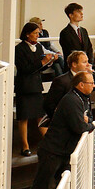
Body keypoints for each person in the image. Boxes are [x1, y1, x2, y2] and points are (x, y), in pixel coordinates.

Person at [22, 71, 95, 189]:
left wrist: (88, 122)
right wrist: (90, 125)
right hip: (52, 151)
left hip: (63, 152)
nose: (94, 85)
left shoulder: (83, 99)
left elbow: (89, 117)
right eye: (91, 83)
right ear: (81, 85)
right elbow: (80, 127)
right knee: (40, 188)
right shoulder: (71, 100)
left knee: (57, 188)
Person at [14, 22, 58, 157]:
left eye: (39, 33)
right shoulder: (19, 49)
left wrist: (49, 62)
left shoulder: (38, 47)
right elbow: (25, 68)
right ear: (27, 34)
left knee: (40, 115)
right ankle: (25, 145)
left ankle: (48, 141)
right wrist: (43, 62)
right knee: (24, 117)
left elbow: (39, 68)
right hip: (25, 86)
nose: (38, 35)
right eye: (35, 33)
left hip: (36, 85)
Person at [41, 51, 91, 135]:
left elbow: (88, 105)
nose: (87, 65)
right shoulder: (61, 81)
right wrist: (62, 120)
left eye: (87, 61)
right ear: (74, 64)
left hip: (83, 126)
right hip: (64, 129)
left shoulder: (88, 80)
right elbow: (49, 105)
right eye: (84, 62)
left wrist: (89, 119)